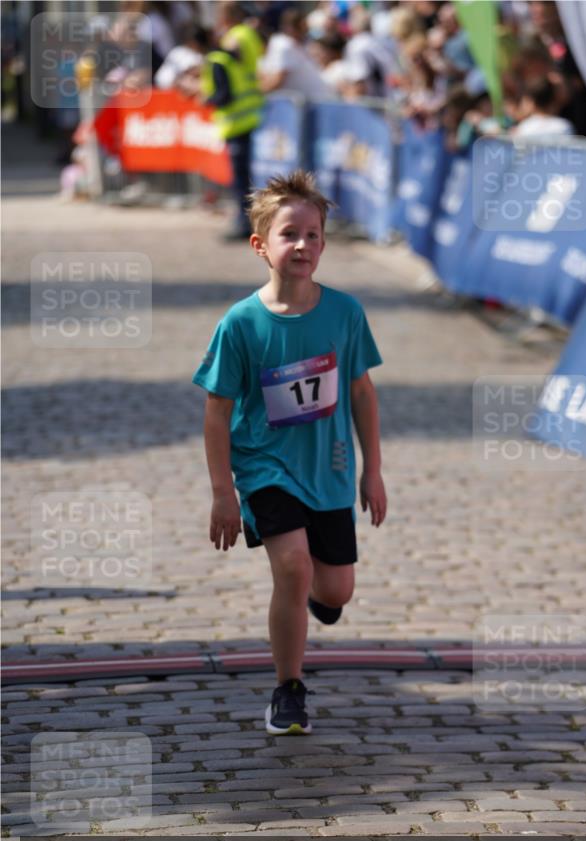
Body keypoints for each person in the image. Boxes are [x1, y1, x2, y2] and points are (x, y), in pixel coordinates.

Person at [192, 170, 387, 735]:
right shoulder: (241, 323)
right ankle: (289, 688)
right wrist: (224, 492)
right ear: (261, 245)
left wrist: (373, 470)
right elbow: (217, 411)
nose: (302, 245)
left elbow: (360, 391)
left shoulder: (345, 314)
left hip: (328, 471)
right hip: (264, 468)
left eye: (314, 235)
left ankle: (317, 605)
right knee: (294, 567)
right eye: (289, 235)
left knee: (335, 589)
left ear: (324, 243)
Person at [201, 1, 265, 239]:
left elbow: (227, 72)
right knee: (245, 176)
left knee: (241, 178)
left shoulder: (235, 37)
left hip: (237, 115)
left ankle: (244, 223)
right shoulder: (251, 35)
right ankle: (246, 221)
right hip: (250, 110)